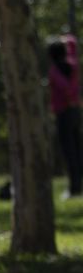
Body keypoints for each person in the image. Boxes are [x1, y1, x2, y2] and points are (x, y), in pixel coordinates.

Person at [48, 34, 82, 200]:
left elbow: (64, 87)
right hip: (75, 110)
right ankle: (78, 185)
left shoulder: (54, 70)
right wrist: (65, 40)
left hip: (64, 112)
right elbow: (73, 46)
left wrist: (68, 98)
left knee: (69, 151)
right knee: (77, 149)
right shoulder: (73, 65)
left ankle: (75, 188)